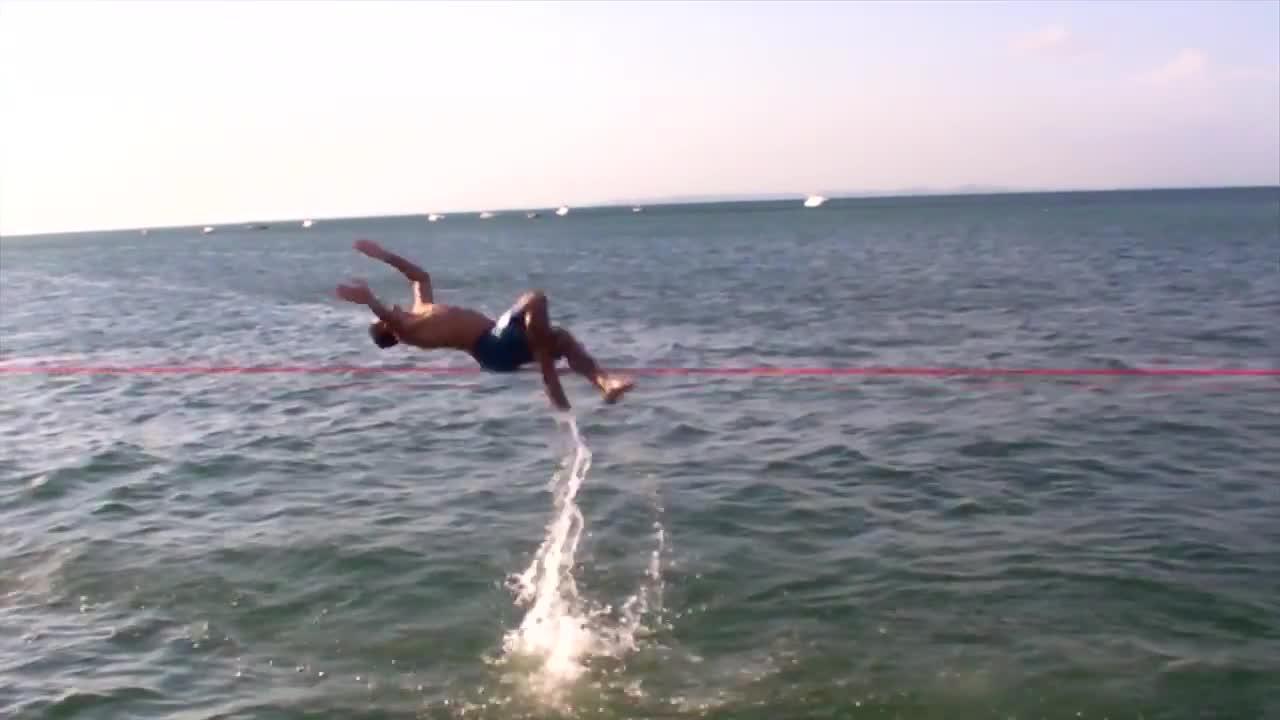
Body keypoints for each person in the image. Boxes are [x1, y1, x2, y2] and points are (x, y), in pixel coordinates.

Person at [335, 239, 633, 411]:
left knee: (561, 339)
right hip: (490, 346)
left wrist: (383, 255)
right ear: (388, 329)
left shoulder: (421, 307)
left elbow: (420, 277)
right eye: (384, 317)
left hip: (500, 338)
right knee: (534, 298)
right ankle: (550, 382)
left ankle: (605, 384)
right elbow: (389, 318)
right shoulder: (410, 333)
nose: (391, 308)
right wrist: (370, 301)